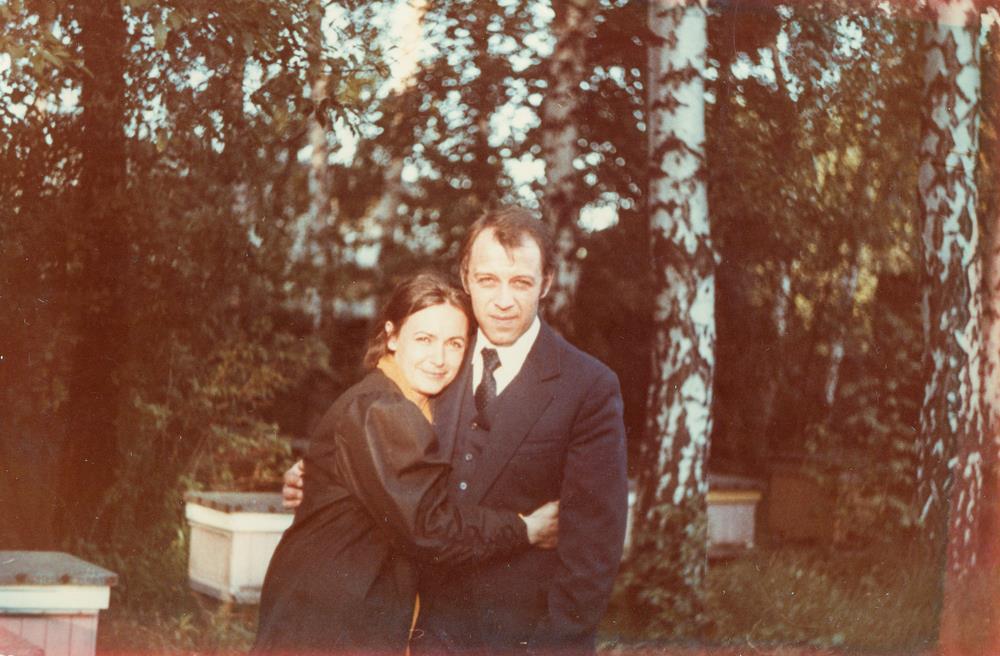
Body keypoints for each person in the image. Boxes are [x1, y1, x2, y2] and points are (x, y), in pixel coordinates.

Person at [284, 207, 628, 654]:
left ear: (545, 283)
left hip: (516, 641)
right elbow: (376, 450)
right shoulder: (435, 359)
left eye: (521, 282)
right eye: (487, 280)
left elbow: (593, 550)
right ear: (466, 278)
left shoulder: (587, 386)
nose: (503, 300)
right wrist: (322, 474)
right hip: (411, 630)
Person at [254, 271, 560, 655]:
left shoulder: (412, 403)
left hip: (342, 609)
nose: (439, 358)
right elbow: (429, 528)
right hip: (327, 620)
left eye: (454, 343)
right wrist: (526, 529)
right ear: (392, 336)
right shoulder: (383, 408)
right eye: (424, 339)